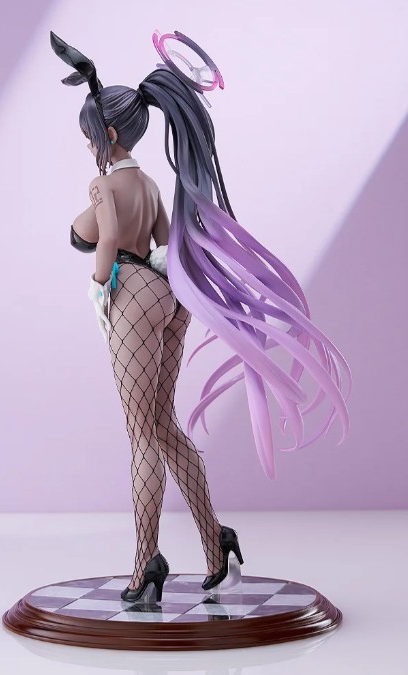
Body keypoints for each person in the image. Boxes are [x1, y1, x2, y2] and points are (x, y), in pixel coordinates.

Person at [50, 30, 352, 603]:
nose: (87, 145)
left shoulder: (104, 184)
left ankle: (146, 564)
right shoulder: (149, 184)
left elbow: (106, 239)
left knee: (142, 433)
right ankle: (217, 542)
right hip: (169, 296)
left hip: (131, 295)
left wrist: (96, 286)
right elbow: (166, 243)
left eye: (89, 136)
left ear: (107, 136)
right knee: (164, 424)